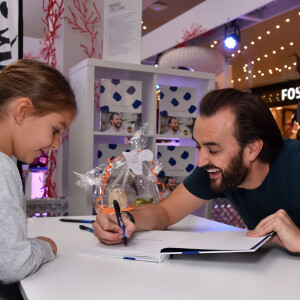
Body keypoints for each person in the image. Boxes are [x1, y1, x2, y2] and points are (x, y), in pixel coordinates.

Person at [93, 88, 300, 253]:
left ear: (253, 148)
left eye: (213, 149)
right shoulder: (216, 169)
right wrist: (126, 219)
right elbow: (165, 212)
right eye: (198, 147)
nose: (200, 161)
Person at [0, 59, 77, 296]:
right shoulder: (3, 169)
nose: (55, 144)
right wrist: (44, 247)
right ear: (22, 111)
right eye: (56, 130)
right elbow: (13, 264)